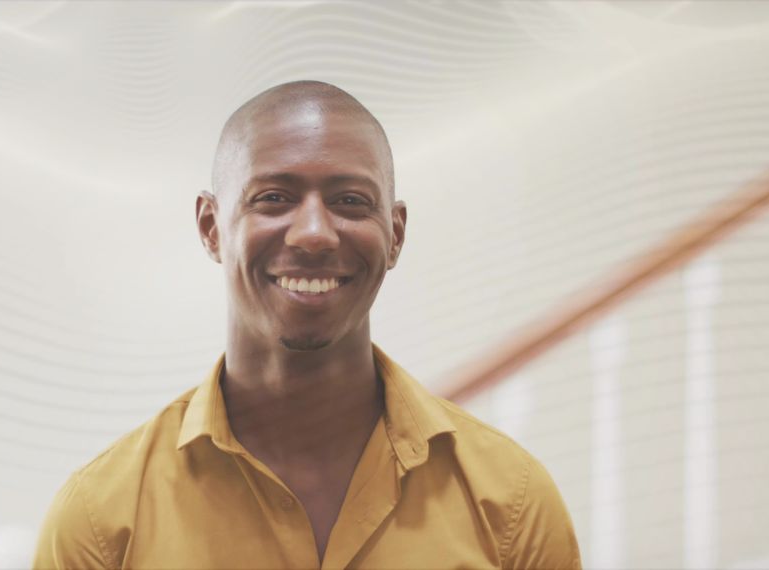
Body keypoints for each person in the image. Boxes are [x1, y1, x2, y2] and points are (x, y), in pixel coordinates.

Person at [33, 80, 581, 569]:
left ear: (395, 234)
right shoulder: (101, 520)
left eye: (349, 200)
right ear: (210, 227)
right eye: (274, 198)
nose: (314, 233)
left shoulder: (512, 504)